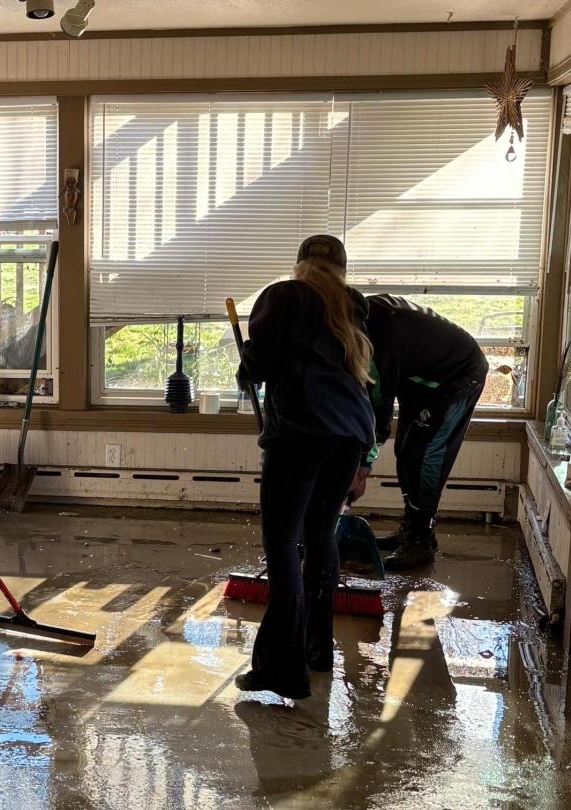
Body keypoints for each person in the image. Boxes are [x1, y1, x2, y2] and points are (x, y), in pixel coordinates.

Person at [234, 234, 375, 700]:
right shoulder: (352, 305)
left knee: (282, 544)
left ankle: (282, 668)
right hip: (351, 434)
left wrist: (246, 365)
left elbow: (262, 363)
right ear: (341, 270)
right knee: (318, 535)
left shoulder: (284, 296)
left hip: (300, 432)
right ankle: (318, 651)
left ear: (300, 265)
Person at [347, 295, 488, 570]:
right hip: (419, 378)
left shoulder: (373, 340)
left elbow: (378, 413)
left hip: (456, 375)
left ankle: (421, 541)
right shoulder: (355, 317)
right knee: (407, 449)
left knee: (425, 456)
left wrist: (362, 467)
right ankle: (411, 529)